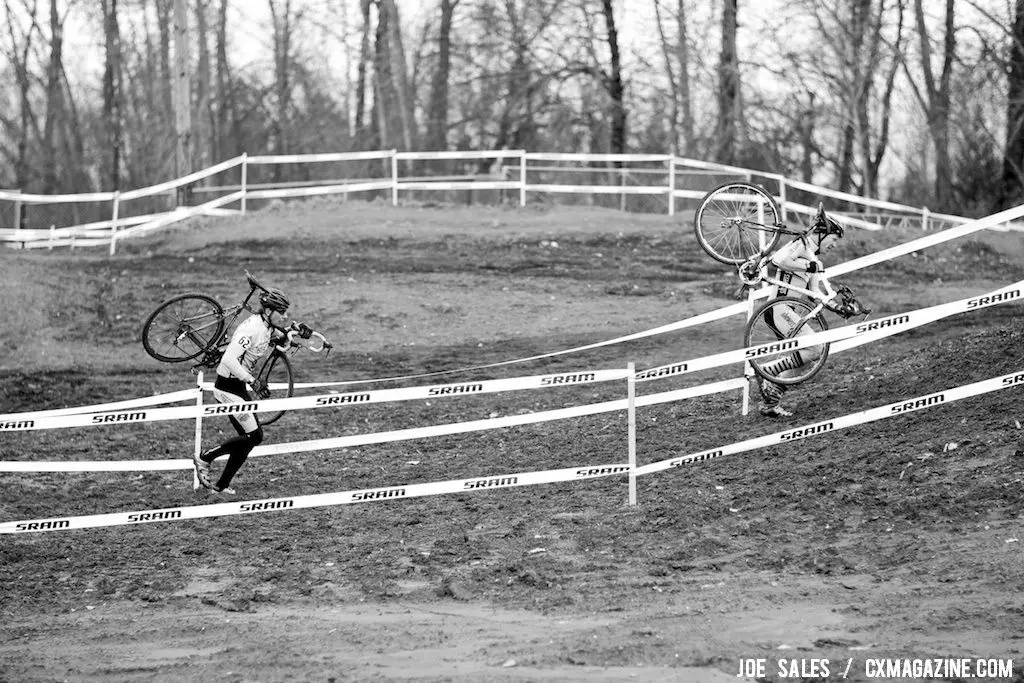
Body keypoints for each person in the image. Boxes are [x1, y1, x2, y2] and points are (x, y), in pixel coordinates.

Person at [192, 287, 291, 494]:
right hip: (227, 387)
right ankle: (204, 458)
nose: (284, 316)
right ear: (268, 311)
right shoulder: (252, 328)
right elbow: (228, 359)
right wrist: (253, 382)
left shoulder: (266, 326)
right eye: (281, 312)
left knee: (248, 440)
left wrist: (293, 333)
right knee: (254, 437)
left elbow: (279, 342)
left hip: (237, 386)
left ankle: (220, 486)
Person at [754, 206, 846, 418]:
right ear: (822, 233)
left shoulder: (815, 261)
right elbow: (779, 260)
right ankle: (767, 371)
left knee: (805, 357)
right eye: (833, 239)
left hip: (788, 312)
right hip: (778, 308)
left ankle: (771, 401)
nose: (834, 245)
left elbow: (815, 294)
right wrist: (810, 268)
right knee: (815, 349)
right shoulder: (801, 243)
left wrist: (840, 309)